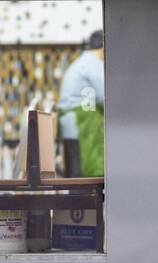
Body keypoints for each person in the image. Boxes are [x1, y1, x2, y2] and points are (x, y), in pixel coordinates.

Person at [56, 29, 105, 177]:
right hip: (81, 127)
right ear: (104, 48)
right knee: (84, 180)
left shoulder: (82, 62)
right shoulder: (94, 64)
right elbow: (104, 96)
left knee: (75, 178)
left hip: (72, 127)